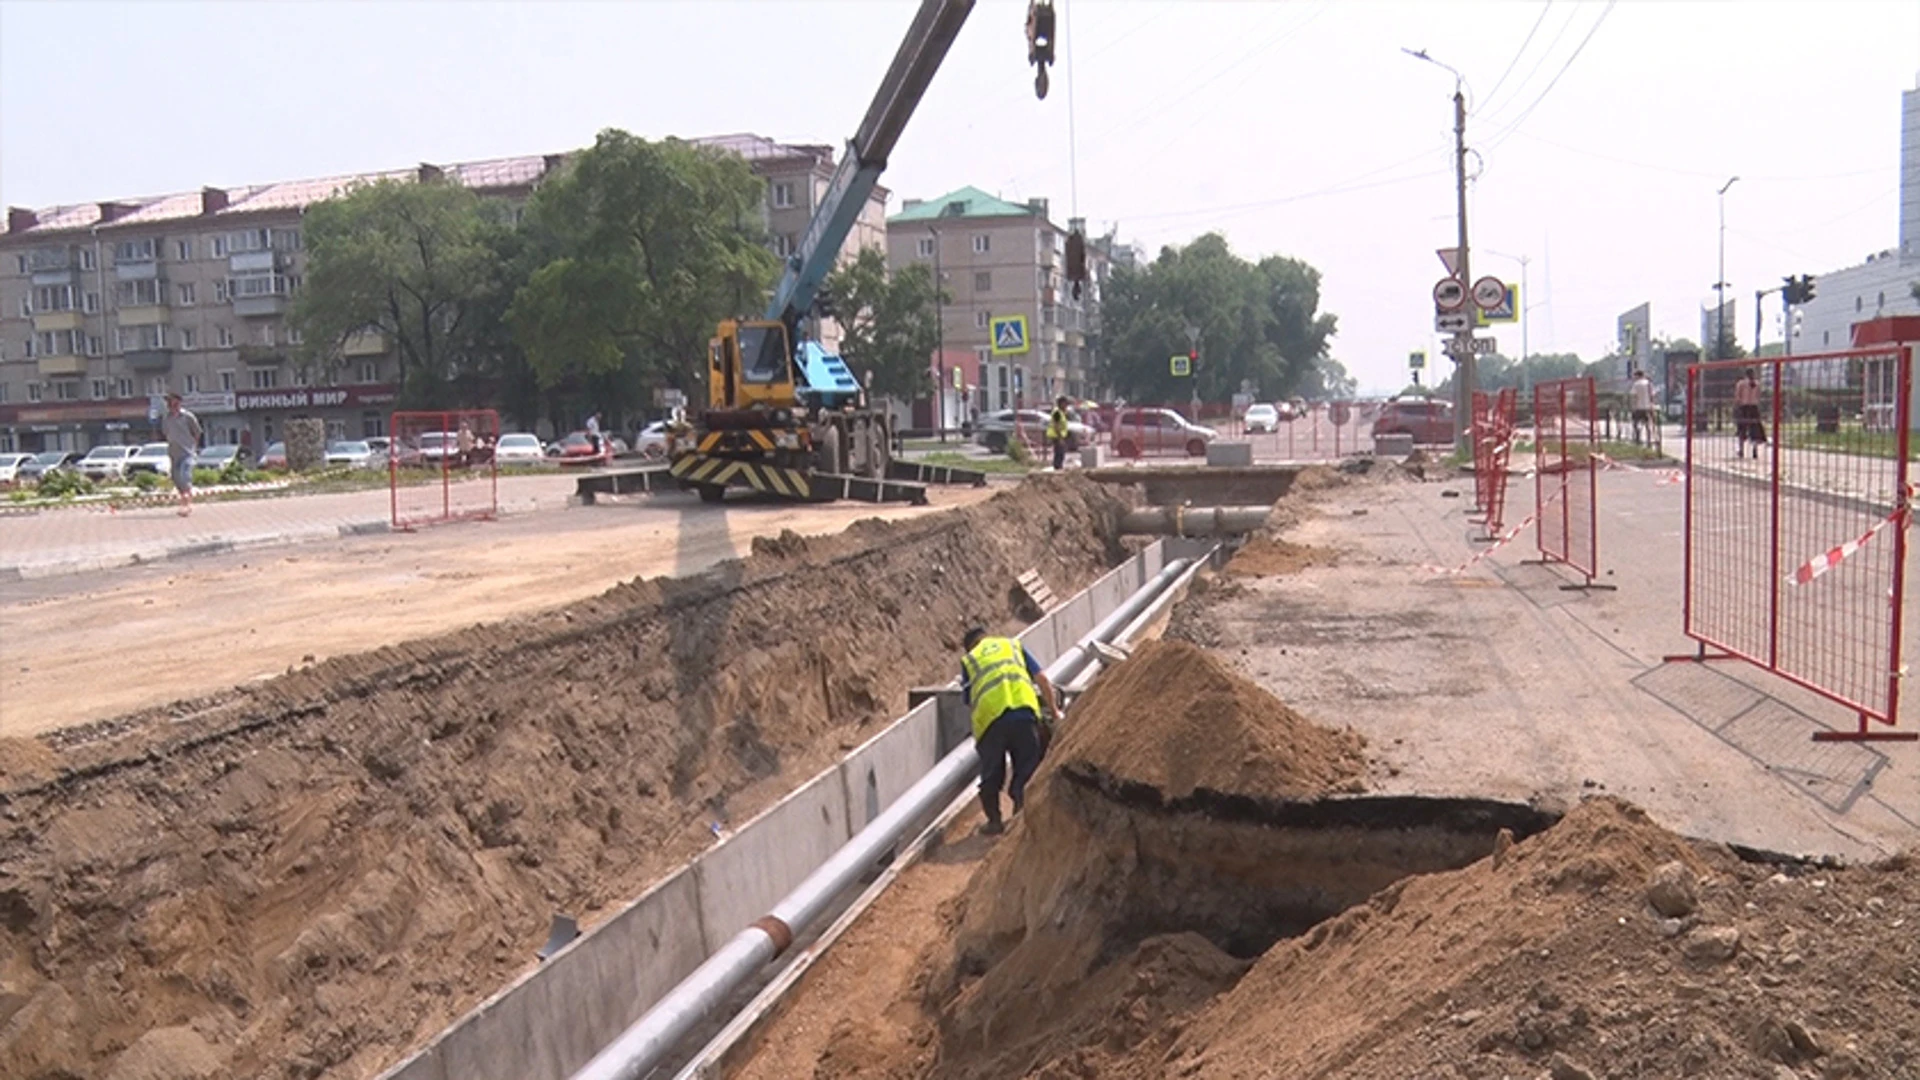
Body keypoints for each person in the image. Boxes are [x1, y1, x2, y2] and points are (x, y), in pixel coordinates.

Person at [960, 626, 1058, 835]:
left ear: (969, 647)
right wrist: (1054, 712)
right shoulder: (1012, 645)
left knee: (991, 772)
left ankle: (994, 821)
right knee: (1027, 766)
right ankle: (1022, 815)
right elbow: (1042, 679)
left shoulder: (970, 660)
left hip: (990, 722)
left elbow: (970, 701)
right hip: (1024, 714)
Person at [160, 392, 203, 517]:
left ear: (178, 402)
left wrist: (192, 447)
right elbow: (166, 433)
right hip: (174, 453)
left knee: (185, 476)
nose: (169, 404)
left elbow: (197, 432)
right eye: (168, 402)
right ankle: (184, 502)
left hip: (187, 452)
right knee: (176, 478)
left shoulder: (188, 417)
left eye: (172, 401)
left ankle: (187, 506)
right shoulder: (166, 418)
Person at [1733, 368, 1764, 459]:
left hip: (1744, 407)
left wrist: (1736, 407)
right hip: (1754, 408)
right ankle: (1755, 450)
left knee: (1742, 429)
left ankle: (1741, 450)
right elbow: (1758, 396)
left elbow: (1738, 397)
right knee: (1755, 430)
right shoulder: (1757, 384)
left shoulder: (1741, 384)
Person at [1629, 369, 1655, 448]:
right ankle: (1649, 440)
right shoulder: (1648, 383)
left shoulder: (1636, 384)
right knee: (1648, 424)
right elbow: (1652, 395)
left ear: (1637, 375)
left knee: (1636, 424)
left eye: (1635, 376)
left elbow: (1634, 396)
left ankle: (1638, 439)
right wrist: (1652, 405)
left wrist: (1633, 406)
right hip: (1648, 407)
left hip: (1638, 407)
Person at [1045, 396, 1072, 471]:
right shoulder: (1057, 412)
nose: (1066, 406)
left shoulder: (1061, 412)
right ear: (1061, 403)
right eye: (1065, 404)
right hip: (1056, 435)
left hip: (1059, 435)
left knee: (1061, 452)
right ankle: (1057, 467)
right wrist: (1060, 438)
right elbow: (1056, 425)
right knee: (1059, 452)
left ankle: (1058, 467)